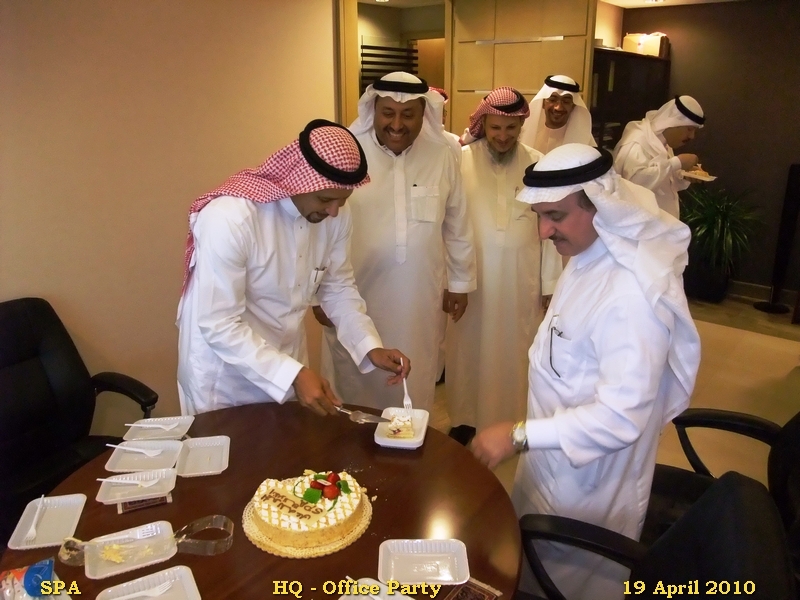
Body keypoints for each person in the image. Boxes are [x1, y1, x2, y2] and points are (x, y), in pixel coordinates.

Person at [471, 144, 701, 599]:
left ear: (599, 205)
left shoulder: (630, 296)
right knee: (529, 565)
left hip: (589, 484)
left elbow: (620, 417)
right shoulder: (587, 256)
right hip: (550, 461)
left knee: (568, 582)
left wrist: (518, 435)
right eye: (538, 216)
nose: (543, 231)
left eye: (555, 216)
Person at [176, 119, 410, 416]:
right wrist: (292, 375)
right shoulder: (231, 219)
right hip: (224, 378)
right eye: (325, 199)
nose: (333, 211)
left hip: (287, 363)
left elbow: (337, 287)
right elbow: (218, 324)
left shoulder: (335, 215)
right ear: (298, 181)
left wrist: (369, 345)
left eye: (342, 201)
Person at [316, 72, 476, 412]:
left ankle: (413, 441)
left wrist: (460, 281)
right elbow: (320, 226)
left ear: (424, 113)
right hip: (354, 291)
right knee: (354, 384)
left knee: (414, 381)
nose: (397, 125)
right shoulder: (347, 151)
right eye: (388, 113)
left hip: (419, 295)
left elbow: (457, 220)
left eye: (408, 115)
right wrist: (317, 294)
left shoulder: (442, 153)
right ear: (373, 109)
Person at [446, 87, 555, 446]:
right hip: (471, 280)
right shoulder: (460, 160)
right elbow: (446, 224)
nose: (503, 136)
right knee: (467, 349)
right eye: (495, 128)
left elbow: (551, 227)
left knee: (515, 351)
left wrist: (550, 283)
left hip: (520, 281)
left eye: (511, 128)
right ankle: (465, 419)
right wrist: (448, 279)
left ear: (521, 125)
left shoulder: (538, 163)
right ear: (483, 124)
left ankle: (510, 421)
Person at [613, 95, 705, 218]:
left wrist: (683, 175)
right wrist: (677, 162)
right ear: (674, 122)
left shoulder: (662, 143)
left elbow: (662, 183)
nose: (692, 136)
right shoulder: (638, 142)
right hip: (639, 224)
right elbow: (635, 184)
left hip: (660, 224)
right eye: (689, 129)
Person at [518, 75, 596, 155]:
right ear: (543, 103)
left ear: (573, 106)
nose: (558, 108)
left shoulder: (584, 140)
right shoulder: (525, 134)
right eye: (552, 100)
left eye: (566, 102)